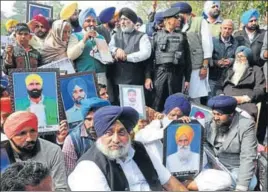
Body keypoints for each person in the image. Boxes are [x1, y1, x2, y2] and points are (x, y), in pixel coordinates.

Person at [68, 105, 188, 191]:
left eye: (121, 133)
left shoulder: (140, 149)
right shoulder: (89, 167)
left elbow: (170, 183)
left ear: (129, 134)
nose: (115, 140)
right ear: (99, 136)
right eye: (109, 133)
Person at [185, 96, 258, 191]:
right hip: (212, 163)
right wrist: (186, 122)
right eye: (214, 113)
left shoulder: (245, 126)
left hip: (234, 168)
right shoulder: (211, 120)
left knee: (249, 184)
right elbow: (202, 141)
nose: (215, 118)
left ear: (231, 114)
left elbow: (248, 157)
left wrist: (241, 188)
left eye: (219, 114)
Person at [3, 111, 68, 191]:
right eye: (22, 133)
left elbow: (61, 188)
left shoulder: (53, 151)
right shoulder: (2, 155)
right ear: (10, 137)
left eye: (33, 131)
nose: (29, 138)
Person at [147, 7, 191, 112]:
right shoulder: (156, 36)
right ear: (168, 20)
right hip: (160, 73)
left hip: (176, 74)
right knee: (157, 102)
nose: (178, 20)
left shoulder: (182, 37)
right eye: (176, 17)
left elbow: (188, 59)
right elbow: (150, 59)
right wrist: (147, 77)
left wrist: (188, 79)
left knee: (174, 103)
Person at [172, 2, 213, 105]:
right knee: (181, 97)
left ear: (183, 13)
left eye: (177, 14)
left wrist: (204, 66)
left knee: (194, 98)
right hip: (181, 68)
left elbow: (207, 45)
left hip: (197, 67)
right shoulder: (177, 25)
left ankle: (196, 119)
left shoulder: (200, 22)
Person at [108, 7, 152, 105]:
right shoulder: (115, 36)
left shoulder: (142, 36)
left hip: (135, 80)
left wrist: (127, 57)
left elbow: (145, 53)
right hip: (117, 79)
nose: (122, 22)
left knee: (134, 108)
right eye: (121, 19)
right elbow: (109, 48)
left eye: (125, 19)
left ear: (132, 22)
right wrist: (116, 50)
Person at [62, 97, 110, 175]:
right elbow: (71, 175)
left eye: (97, 119)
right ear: (83, 119)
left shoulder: (111, 134)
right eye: (89, 119)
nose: (92, 124)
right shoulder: (72, 140)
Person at [218, 46, 265, 118]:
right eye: (237, 56)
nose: (239, 59)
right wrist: (221, 95)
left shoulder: (256, 70)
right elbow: (218, 86)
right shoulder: (229, 70)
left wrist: (243, 98)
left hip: (244, 104)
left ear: (248, 58)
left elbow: (260, 90)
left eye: (242, 56)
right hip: (224, 102)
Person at [67, 7, 107, 85]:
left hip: (101, 77)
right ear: (82, 22)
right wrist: (84, 40)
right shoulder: (75, 36)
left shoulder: (100, 37)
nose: (91, 24)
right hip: (84, 76)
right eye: (88, 21)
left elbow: (106, 58)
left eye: (93, 21)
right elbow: (70, 56)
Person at [209, 19, 239, 98]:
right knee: (211, 100)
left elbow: (238, 58)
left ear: (232, 30)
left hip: (228, 78)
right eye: (225, 28)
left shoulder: (236, 43)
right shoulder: (212, 41)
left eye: (229, 29)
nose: (227, 30)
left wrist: (230, 61)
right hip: (213, 77)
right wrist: (216, 62)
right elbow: (207, 58)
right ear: (220, 28)